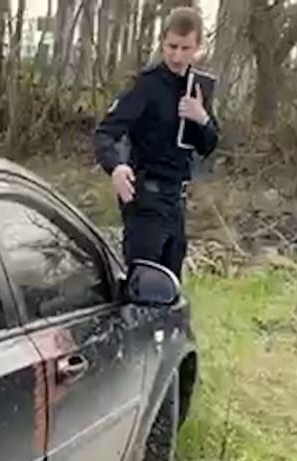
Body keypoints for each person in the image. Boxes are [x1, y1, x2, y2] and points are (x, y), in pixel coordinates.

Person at [93, 6, 218, 280]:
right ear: (162, 42)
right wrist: (115, 167)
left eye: (185, 48)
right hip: (146, 200)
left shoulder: (196, 88)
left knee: (169, 289)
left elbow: (208, 146)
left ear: (198, 47)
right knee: (142, 287)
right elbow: (104, 133)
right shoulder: (145, 85)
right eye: (172, 46)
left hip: (177, 202)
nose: (177, 55)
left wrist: (202, 119)